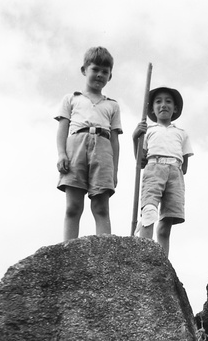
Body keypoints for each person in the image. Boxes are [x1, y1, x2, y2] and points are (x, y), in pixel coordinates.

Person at [55, 47, 123, 240]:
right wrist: (61, 153)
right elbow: (62, 129)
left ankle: (104, 254)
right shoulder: (71, 99)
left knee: (101, 207)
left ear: (110, 76)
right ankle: (68, 252)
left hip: (102, 150)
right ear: (84, 70)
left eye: (105, 71)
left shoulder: (112, 105)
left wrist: (115, 170)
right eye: (95, 69)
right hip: (75, 147)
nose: (100, 74)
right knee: (73, 206)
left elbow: (115, 140)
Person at [132, 86, 193, 257]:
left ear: (175, 108)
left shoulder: (181, 133)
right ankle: (143, 256)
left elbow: (185, 165)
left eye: (168, 101)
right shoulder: (149, 131)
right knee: (149, 212)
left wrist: (174, 169)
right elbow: (140, 161)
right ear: (152, 109)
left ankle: (162, 262)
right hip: (154, 169)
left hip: (175, 173)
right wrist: (135, 138)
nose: (163, 105)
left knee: (167, 221)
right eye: (158, 101)